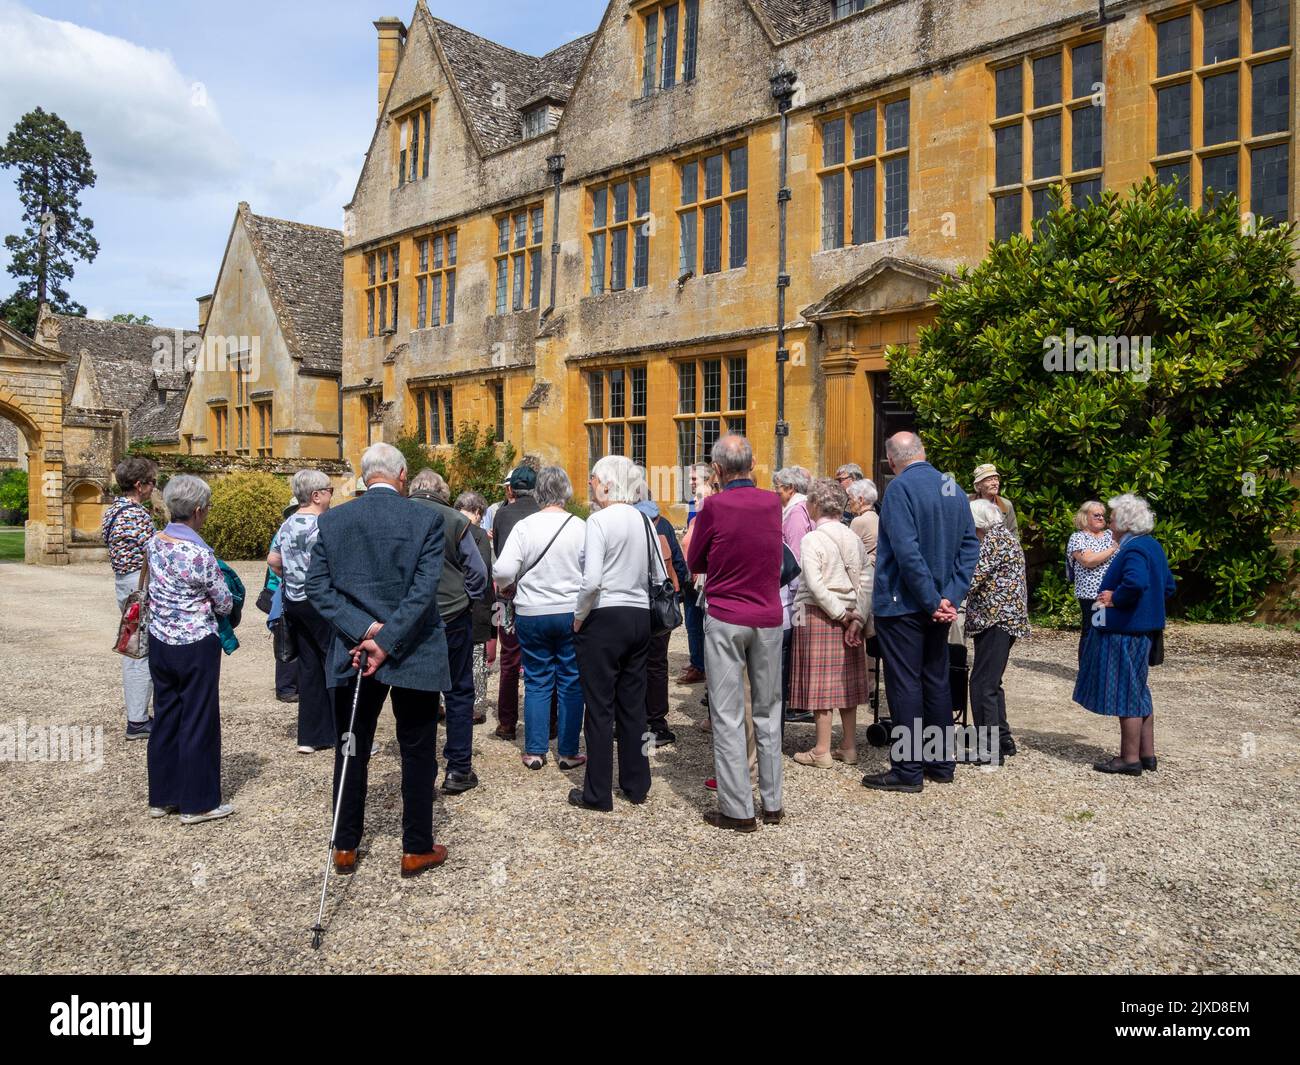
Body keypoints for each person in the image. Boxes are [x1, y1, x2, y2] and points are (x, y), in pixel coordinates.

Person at [305, 442, 451, 879]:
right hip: (413, 649)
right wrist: (383, 637)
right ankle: (415, 847)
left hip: (355, 648)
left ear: (365, 477)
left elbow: (317, 588)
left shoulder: (333, 519)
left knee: (352, 747)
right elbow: (424, 593)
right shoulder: (425, 517)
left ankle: (345, 845)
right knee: (418, 749)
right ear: (402, 475)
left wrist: (366, 631)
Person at [865, 432, 980, 793]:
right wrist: (950, 596)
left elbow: (906, 551)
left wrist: (934, 599)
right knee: (935, 679)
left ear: (892, 460)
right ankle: (940, 762)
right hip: (938, 603)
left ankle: (909, 769)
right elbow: (969, 546)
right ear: (923, 452)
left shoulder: (899, 489)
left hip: (904, 604)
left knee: (905, 685)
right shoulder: (951, 486)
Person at [686, 434, 785, 832]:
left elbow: (695, 558)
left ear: (718, 471)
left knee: (728, 715)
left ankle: (738, 809)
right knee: (768, 711)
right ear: (754, 463)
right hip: (768, 615)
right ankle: (773, 802)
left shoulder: (714, 505)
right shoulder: (772, 502)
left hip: (727, 614)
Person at [569, 455, 665, 812]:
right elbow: (658, 573)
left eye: (593, 479)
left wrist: (579, 616)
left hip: (605, 616)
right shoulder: (644, 520)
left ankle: (597, 793)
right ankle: (637, 783)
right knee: (633, 705)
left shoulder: (599, 521)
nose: (590, 485)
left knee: (598, 708)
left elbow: (591, 580)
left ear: (607, 483)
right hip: (639, 616)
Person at [145, 474, 235, 824]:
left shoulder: (154, 543)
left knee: (166, 715)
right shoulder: (198, 553)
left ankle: (163, 796)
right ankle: (198, 802)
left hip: (160, 639)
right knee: (199, 717)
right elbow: (224, 602)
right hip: (195, 642)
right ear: (198, 511)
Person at [492, 466, 587, 770]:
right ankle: (568, 751)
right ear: (566, 492)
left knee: (537, 679)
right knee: (571, 680)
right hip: (570, 611)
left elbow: (503, 570)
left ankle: (535, 751)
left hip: (532, 611)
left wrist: (509, 587)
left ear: (538, 492)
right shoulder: (580, 526)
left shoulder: (525, 526)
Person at [1074, 494, 1175, 776]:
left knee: (1126, 692)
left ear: (1126, 521)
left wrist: (1115, 598)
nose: (1110, 520)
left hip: (1125, 630)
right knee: (1139, 689)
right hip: (1145, 629)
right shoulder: (1152, 546)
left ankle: (1129, 758)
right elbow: (1168, 587)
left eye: (1114, 515)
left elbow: (1135, 583)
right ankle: (1147, 753)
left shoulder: (1133, 550)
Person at [408, 469, 488, 794]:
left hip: (409, 617)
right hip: (453, 615)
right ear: (442, 492)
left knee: (417, 693)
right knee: (458, 692)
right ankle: (458, 769)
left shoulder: (399, 515)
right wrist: (465, 597)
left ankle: (421, 767)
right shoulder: (456, 520)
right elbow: (478, 572)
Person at [790, 478, 871, 768]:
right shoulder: (853, 537)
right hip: (852, 614)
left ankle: (822, 750)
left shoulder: (812, 538)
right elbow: (866, 580)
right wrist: (857, 616)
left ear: (814, 505)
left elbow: (814, 584)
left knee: (822, 685)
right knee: (846, 683)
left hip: (819, 614)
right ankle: (848, 747)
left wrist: (839, 614)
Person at [267, 472, 336, 753]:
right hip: (320, 601)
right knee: (334, 664)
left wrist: (293, 575)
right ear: (316, 495)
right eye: (329, 489)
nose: (332, 493)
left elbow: (273, 559)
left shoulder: (287, 523)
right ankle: (344, 734)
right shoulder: (322, 525)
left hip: (294, 600)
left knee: (309, 667)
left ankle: (310, 736)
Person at [965, 498, 1029, 765]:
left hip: (995, 619)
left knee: (981, 684)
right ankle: (1002, 739)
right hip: (1005, 618)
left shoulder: (993, 541)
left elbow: (973, 578)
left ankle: (988, 750)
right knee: (992, 681)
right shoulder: (1005, 537)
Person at [103, 456, 158, 742]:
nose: (153, 488)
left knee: (133, 645)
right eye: (152, 483)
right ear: (139, 485)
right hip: (138, 583)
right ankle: (137, 720)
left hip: (125, 582)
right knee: (139, 649)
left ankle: (138, 715)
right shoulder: (135, 515)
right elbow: (154, 552)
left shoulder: (113, 510)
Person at [633, 469, 689, 748]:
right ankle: (657, 723)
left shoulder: (627, 522)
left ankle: (629, 723)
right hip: (660, 604)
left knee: (629, 664)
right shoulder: (663, 523)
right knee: (656, 664)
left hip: (631, 603)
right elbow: (679, 565)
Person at [492, 465, 541, 741]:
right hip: (538, 596)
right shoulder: (542, 513)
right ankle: (550, 721)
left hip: (507, 597)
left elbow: (500, 554)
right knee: (545, 660)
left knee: (509, 660)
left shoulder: (501, 514)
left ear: (511, 489)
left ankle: (507, 722)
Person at [774, 466, 815, 725]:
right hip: (797, 595)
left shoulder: (796, 514)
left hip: (794, 596)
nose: (775, 492)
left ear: (790, 489)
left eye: (777, 487)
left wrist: (794, 600)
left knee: (789, 654)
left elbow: (795, 561)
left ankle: (792, 704)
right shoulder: (798, 509)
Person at [456, 491, 496, 722]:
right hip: (477, 605)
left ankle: (443, 703)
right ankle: (474, 706)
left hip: (450, 603)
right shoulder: (479, 534)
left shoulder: (446, 526)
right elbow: (482, 569)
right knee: (476, 658)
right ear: (478, 512)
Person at [1067, 500, 1119, 664]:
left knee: (1108, 631)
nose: (1101, 518)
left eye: (1102, 515)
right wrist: (1112, 549)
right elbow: (1088, 560)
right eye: (1096, 515)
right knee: (1092, 631)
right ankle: (1087, 670)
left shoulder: (1111, 535)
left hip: (1113, 593)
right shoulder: (1078, 538)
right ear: (1085, 517)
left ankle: (1102, 668)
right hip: (1092, 594)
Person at [676, 462, 714, 686]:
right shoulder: (693, 502)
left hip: (700, 573)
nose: (690, 482)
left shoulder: (706, 503)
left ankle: (701, 666)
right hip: (692, 570)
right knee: (691, 621)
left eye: (694, 479)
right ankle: (696, 661)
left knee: (698, 620)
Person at [969, 463, 1019, 539]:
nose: (994, 483)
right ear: (978, 485)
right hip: (973, 549)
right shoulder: (967, 503)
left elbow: (1013, 533)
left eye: (996, 479)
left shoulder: (1006, 505)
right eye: (989, 480)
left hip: (999, 550)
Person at [847, 478, 880, 560]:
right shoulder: (876, 516)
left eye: (850, 499)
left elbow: (848, 552)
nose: (848, 503)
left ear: (861, 500)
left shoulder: (859, 521)